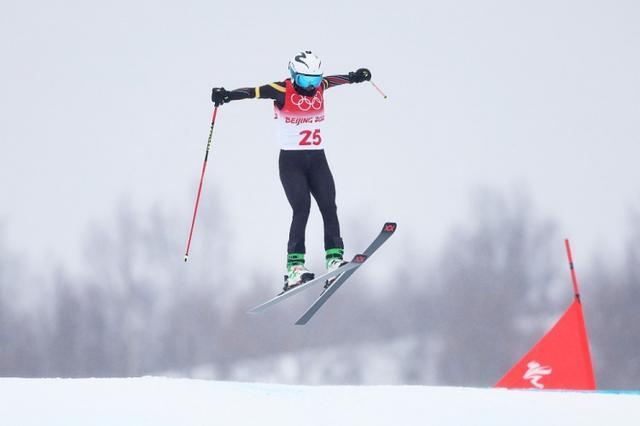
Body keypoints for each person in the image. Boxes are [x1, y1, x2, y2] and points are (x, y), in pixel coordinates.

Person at [211, 50, 371, 292]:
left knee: (329, 205)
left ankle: (334, 259)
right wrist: (227, 96)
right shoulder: (282, 90)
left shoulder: (320, 87)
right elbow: (252, 92)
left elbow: (336, 80)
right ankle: (294, 269)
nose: (312, 86)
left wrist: (354, 77)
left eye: (315, 80)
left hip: (318, 159)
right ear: (294, 75)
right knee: (302, 208)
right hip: (291, 163)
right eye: (306, 80)